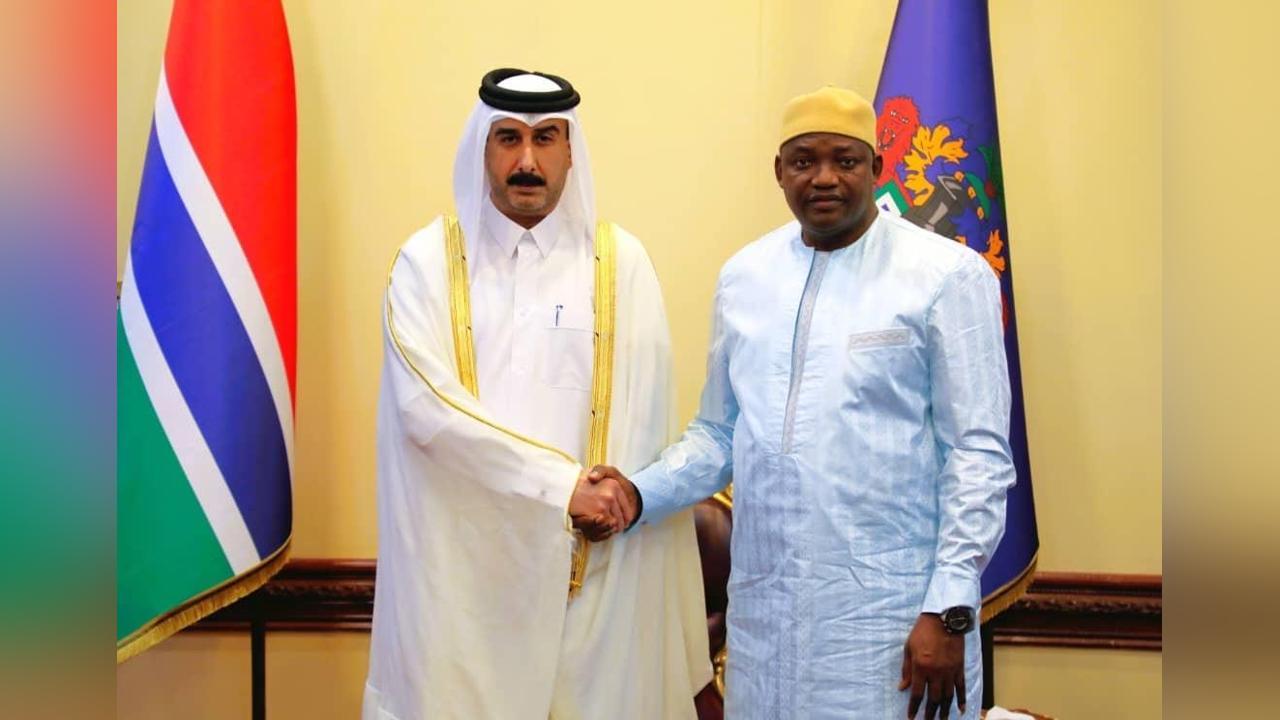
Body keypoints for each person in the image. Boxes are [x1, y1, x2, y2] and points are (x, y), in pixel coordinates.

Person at [593, 86, 1015, 719]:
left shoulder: (946, 275)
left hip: (894, 623)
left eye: (845, 160)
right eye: (803, 161)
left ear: (876, 167)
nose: (823, 177)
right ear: (779, 171)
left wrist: (949, 610)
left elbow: (977, 456)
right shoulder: (746, 277)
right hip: (767, 626)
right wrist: (636, 493)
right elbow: (719, 433)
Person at [364, 68, 709, 720]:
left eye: (546, 138)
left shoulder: (621, 264)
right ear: (482, 148)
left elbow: (645, 428)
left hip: (595, 583)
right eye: (508, 139)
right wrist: (562, 487)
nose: (527, 161)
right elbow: (426, 412)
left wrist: (599, 503)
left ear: (571, 151)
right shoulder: (426, 264)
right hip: (459, 595)